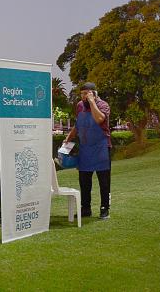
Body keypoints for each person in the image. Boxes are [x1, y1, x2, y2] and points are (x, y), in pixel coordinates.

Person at [64, 82, 111, 220]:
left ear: (94, 93)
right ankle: (85, 208)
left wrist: (92, 102)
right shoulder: (79, 106)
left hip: (101, 148)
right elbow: (78, 124)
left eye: (87, 94)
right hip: (86, 148)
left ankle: (104, 208)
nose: (83, 97)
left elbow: (99, 119)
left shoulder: (103, 105)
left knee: (104, 181)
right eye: (82, 94)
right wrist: (69, 137)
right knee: (84, 180)